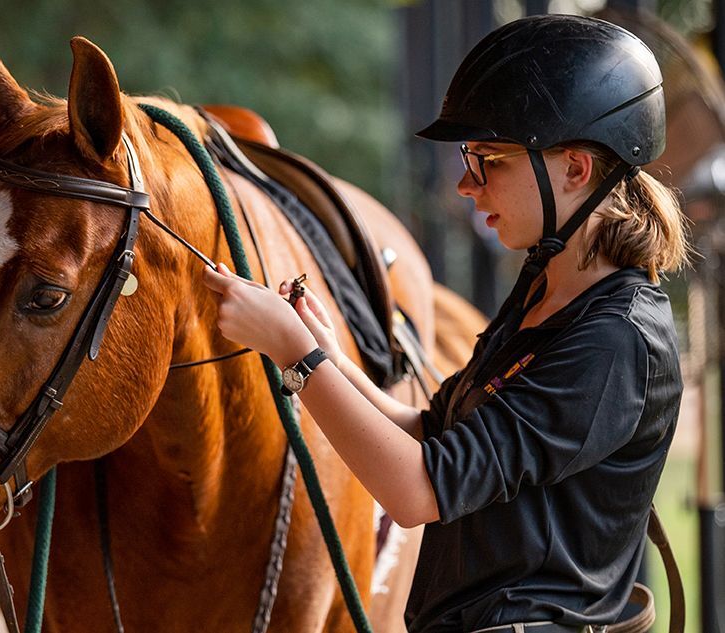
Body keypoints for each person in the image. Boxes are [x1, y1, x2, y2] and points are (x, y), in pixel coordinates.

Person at [203, 14, 690, 633]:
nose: (465, 184)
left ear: (575, 169)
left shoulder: (618, 339)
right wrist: (330, 355)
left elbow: (417, 491)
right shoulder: (545, 291)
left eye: (489, 159)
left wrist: (297, 353)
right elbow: (431, 435)